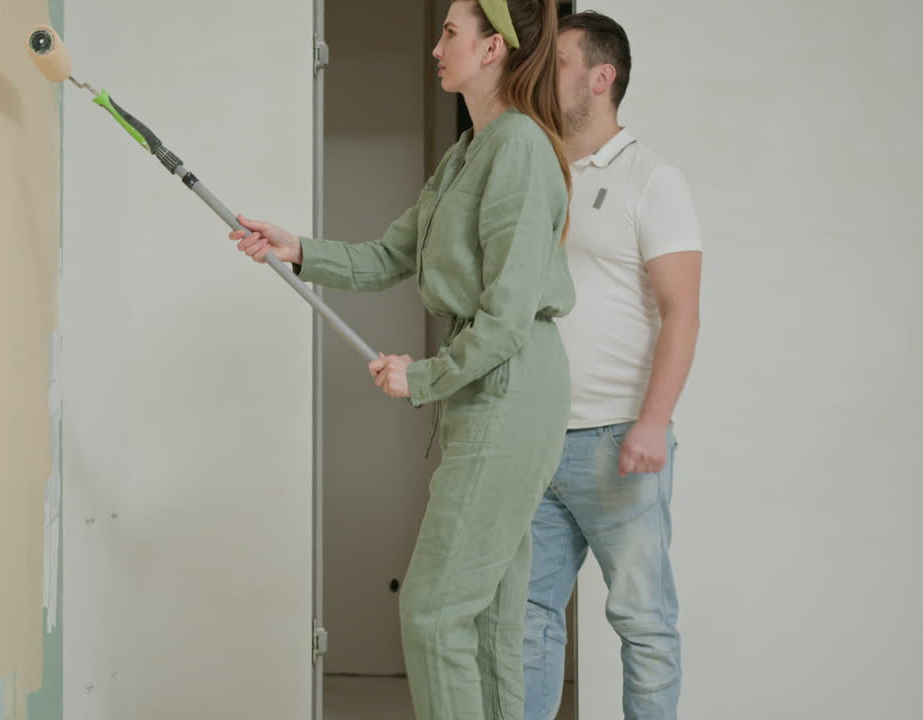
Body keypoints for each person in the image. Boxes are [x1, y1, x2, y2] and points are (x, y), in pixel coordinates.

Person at [231, 1, 572, 717]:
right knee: (485, 624)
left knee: (433, 611)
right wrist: (296, 248)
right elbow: (391, 254)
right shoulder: (468, 153)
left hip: (509, 391)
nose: (436, 46)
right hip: (486, 391)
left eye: (450, 32)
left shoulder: (519, 150)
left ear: (493, 51)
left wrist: (423, 377)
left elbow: (508, 318)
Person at [520, 11, 703, 720]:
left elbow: (681, 311)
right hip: (536, 440)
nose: (544, 74)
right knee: (528, 626)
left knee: (643, 623)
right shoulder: (537, 170)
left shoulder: (651, 178)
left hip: (616, 444)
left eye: (560, 62)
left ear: (603, 77)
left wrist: (652, 423)